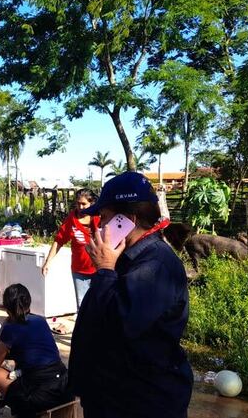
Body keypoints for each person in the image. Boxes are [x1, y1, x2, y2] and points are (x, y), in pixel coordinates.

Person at [68, 172, 192, 418]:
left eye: (104, 218)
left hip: (140, 401)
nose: (100, 226)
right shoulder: (124, 259)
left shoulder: (155, 265)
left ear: (126, 221)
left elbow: (120, 323)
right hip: (112, 396)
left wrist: (104, 270)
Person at [0, 284, 72, 418]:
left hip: (38, 395)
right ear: (29, 302)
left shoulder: (10, 328)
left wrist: (5, 325)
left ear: (6, 307)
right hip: (63, 385)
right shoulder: (41, 320)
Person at [42, 188, 100, 308]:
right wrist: (48, 262)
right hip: (79, 271)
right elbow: (58, 241)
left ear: (92, 203)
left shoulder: (100, 218)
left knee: (100, 306)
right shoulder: (71, 220)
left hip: (99, 270)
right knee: (82, 306)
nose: (80, 207)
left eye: (84, 204)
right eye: (78, 204)